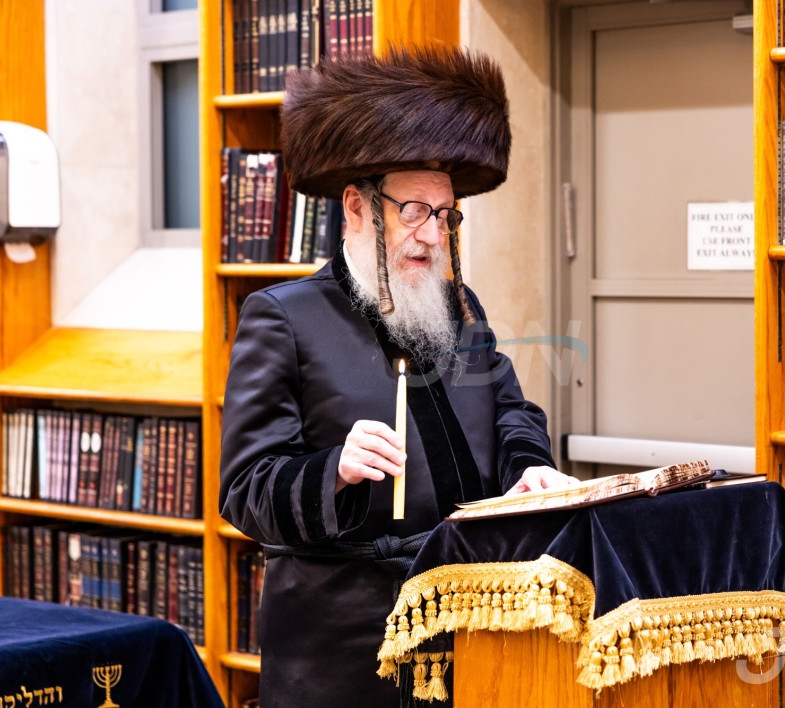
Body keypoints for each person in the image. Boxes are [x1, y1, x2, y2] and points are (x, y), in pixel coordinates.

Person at [218, 46, 576, 707]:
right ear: (356, 206)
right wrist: (334, 469)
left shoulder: (458, 307)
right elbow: (244, 490)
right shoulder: (283, 317)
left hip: (471, 619)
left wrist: (528, 469)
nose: (434, 235)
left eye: (445, 215)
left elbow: (510, 413)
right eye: (414, 210)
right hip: (346, 644)